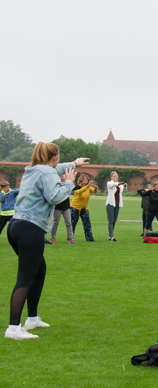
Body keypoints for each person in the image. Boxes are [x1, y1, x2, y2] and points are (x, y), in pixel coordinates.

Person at [5, 142, 88, 340]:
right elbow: (54, 197)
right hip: (30, 229)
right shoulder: (48, 174)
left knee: (39, 271)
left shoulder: (33, 169)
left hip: (16, 226)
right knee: (25, 278)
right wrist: (68, 182)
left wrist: (74, 163)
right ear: (54, 156)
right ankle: (13, 328)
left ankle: (32, 319)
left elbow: (55, 169)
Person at [70, 174, 98, 242]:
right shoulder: (78, 187)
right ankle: (70, 237)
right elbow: (79, 191)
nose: (86, 180)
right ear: (81, 180)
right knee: (73, 223)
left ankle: (89, 238)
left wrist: (95, 189)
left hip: (84, 208)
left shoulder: (88, 187)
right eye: (84, 179)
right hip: (75, 207)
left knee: (87, 223)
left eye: (87, 179)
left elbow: (93, 191)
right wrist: (87, 186)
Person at [105, 171, 126, 242]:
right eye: (114, 176)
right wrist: (119, 183)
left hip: (117, 203)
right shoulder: (109, 183)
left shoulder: (120, 185)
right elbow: (113, 185)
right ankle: (112, 236)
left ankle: (110, 235)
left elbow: (122, 187)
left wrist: (124, 185)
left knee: (114, 220)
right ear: (111, 177)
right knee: (111, 220)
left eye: (116, 176)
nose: (115, 177)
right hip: (110, 203)